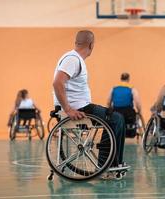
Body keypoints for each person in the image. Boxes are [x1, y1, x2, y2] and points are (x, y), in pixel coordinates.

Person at [52, 30, 127, 168]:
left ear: (76, 42)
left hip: (80, 107)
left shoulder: (73, 58)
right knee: (116, 119)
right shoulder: (73, 60)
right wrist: (68, 109)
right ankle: (108, 165)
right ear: (91, 45)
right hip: (78, 109)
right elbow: (57, 82)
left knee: (117, 118)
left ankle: (113, 163)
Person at [107, 73, 142, 138]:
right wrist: (139, 111)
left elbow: (108, 102)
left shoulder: (114, 88)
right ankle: (131, 132)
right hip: (128, 112)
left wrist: (110, 109)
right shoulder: (132, 88)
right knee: (134, 114)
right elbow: (137, 102)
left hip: (116, 111)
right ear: (128, 79)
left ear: (121, 78)